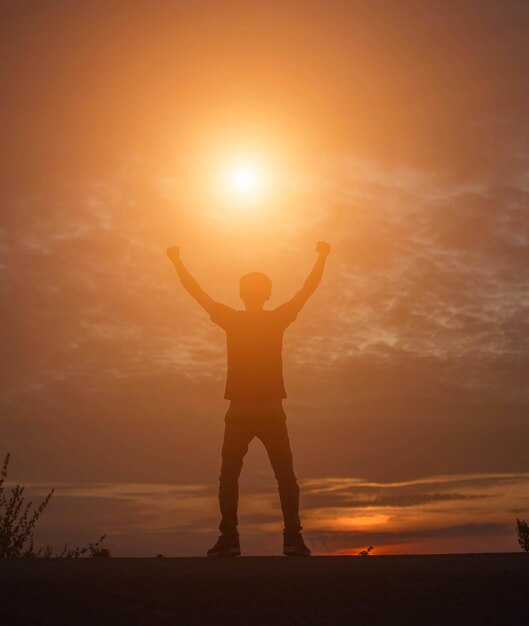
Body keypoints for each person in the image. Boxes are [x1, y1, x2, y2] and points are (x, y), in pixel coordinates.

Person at [167, 241, 331, 556]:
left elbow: (195, 291)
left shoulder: (233, 319)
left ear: (243, 294)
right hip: (268, 409)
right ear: (267, 294)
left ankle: (231, 539)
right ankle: (292, 538)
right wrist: (322, 257)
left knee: (230, 475)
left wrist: (176, 261)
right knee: (284, 476)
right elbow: (308, 288)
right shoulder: (276, 318)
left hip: (242, 410)